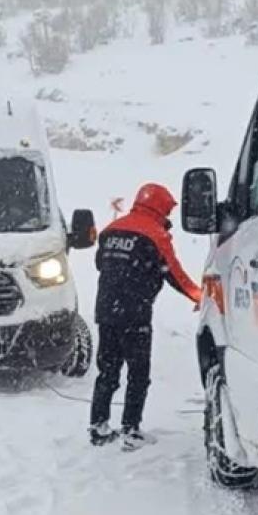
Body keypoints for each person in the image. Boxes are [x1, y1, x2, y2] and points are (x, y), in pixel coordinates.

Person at [89, 182, 201, 449]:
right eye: (167, 211)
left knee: (107, 372)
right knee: (138, 374)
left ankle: (98, 426)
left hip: (106, 312)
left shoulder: (109, 232)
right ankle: (131, 429)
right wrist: (200, 296)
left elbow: (98, 264)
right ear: (160, 207)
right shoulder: (154, 235)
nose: (168, 218)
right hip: (134, 315)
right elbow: (175, 274)